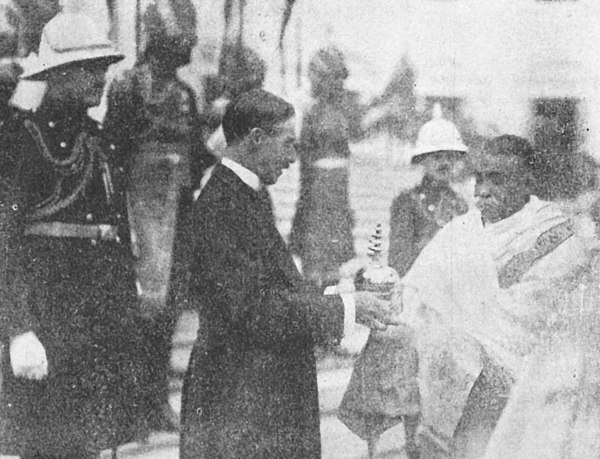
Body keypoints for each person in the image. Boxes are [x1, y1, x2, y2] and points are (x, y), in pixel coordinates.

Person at [178, 88, 398, 458]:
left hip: (253, 403)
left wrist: (343, 296)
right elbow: (254, 312)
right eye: (287, 144)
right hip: (239, 408)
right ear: (256, 139)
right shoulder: (222, 205)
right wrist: (347, 308)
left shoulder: (245, 194)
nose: (294, 158)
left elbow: (271, 292)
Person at [0, 10, 152, 458]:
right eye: (89, 68)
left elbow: (115, 228)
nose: (100, 78)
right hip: (49, 315)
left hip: (97, 316)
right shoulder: (19, 140)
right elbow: (3, 242)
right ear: (58, 74)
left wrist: (127, 303)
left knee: (92, 443)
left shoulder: (95, 137)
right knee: (51, 443)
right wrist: (18, 328)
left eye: (103, 67)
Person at [393, 134, 589, 458]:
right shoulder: (461, 231)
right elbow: (414, 294)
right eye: (479, 178)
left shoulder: (557, 235)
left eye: (496, 179)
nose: (481, 190)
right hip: (451, 372)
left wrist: (462, 341)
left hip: (525, 384)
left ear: (528, 179)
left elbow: (530, 320)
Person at [104, 0, 214, 432]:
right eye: (181, 42)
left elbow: (198, 153)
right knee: (136, 311)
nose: (188, 49)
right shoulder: (129, 85)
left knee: (167, 312)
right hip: (137, 214)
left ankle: (156, 400)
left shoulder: (186, 95)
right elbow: (113, 151)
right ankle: (130, 406)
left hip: (178, 215)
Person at [337, 106, 469, 459]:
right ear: (422, 160)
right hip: (418, 302)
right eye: (435, 155)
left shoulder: (462, 206)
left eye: (450, 156)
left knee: (447, 393)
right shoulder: (408, 204)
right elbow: (399, 261)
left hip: (453, 308)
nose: (443, 162)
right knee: (411, 393)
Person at [289, 46, 355, 287]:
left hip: (336, 192)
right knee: (314, 258)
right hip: (316, 189)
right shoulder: (308, 109)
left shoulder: (341, 111)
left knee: (332, 263)